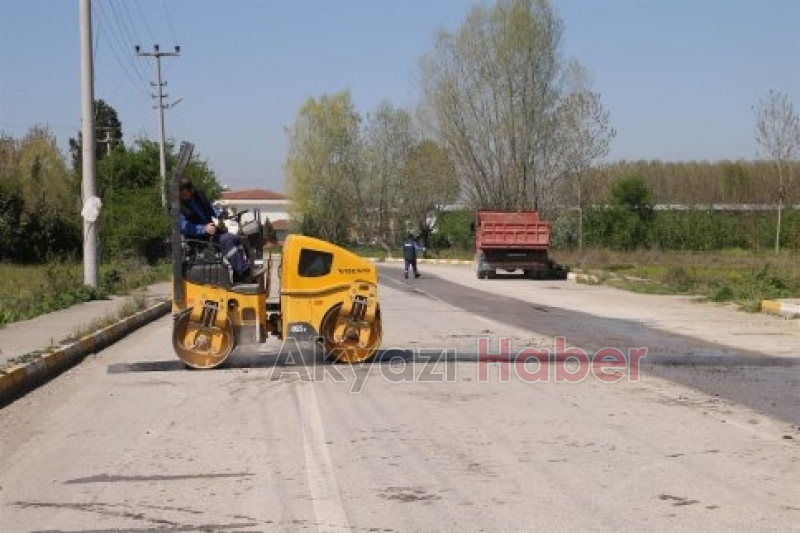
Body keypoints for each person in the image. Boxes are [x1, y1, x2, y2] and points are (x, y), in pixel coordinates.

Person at [179, 179, 264, 283]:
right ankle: (246, 272)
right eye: (182, 194)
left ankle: (240, 275)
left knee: (238, 239)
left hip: (211, 233)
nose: (184, 196)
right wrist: (203, 228)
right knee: (226, 239)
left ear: (191, 190)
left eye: (186, 193)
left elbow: (211, 207)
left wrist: (220, 213)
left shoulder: (198, 197)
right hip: (198, 239)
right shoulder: (179, 207)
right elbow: (184, 226)